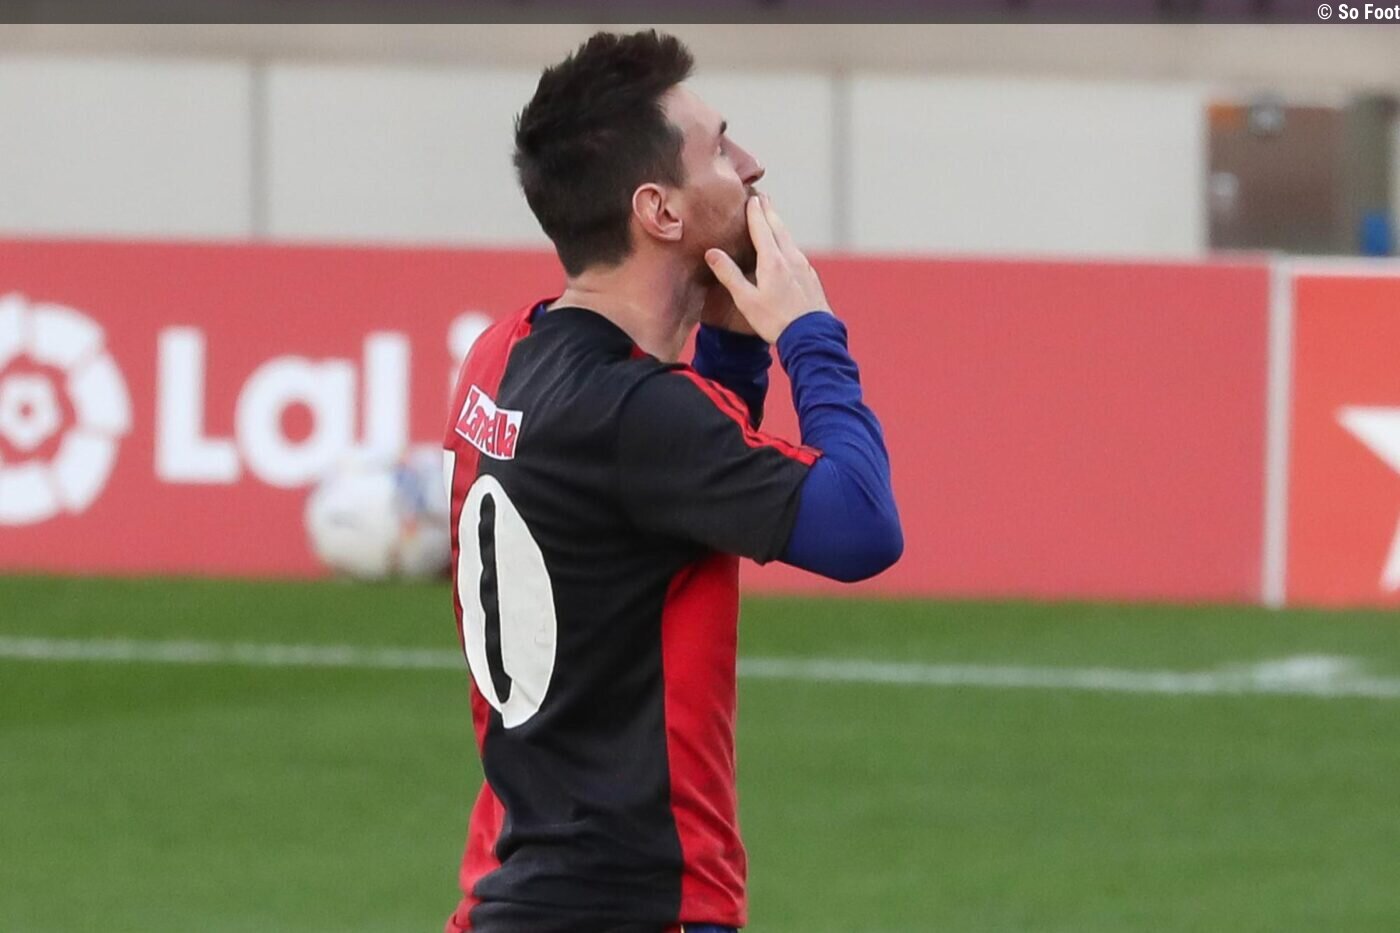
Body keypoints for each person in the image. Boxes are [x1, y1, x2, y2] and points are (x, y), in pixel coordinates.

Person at [442, 30, 902, 933]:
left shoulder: (503, 353)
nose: (752, 165)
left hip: (518, 889)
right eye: (721, 149)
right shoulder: (637, 416)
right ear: (659, 210)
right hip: (634, 903)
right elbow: (861, 527)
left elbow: (674, 500)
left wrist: (729, 341)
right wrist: (809, 334)